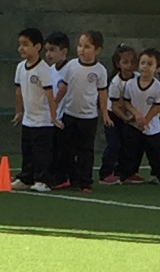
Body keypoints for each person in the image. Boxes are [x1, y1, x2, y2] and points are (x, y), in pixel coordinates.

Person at [56, 30, 106, 191]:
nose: (82, 50)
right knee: (66, 148)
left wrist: (105, 113)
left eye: (87, 47)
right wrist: (54, 103)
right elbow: (64, 87)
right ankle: (67, 177)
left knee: (86, 151)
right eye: (80, 46)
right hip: (70, 113)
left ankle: (85, 181)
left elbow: (102, 93)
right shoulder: (71, 65)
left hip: (88, 117)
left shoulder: (100, 70)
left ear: (97, 50)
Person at [12, 28, 59, 191]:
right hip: (28, 119)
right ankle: (26, 178)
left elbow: (50, 95)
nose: (21, 48)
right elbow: (18, 91)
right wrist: (19, 112)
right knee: (27, 150)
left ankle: (42, 180)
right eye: (20, 44)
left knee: (42, 152)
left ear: (37, 47)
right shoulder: (20, 67)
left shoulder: (43, 69)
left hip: (43, 120)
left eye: (26, 44)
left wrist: (53, 117)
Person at [100, 46, 146, 184]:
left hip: (130, 116)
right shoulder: (116, 82)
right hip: (113, 116)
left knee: (131, 144)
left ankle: (127, 172)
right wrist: (125, 118)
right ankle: (106, 173)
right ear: (118, 63)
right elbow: (115, 106)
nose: (129, 66)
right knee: (114, 144)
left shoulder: (138, 78)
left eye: (133, 62)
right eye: (125, 62)